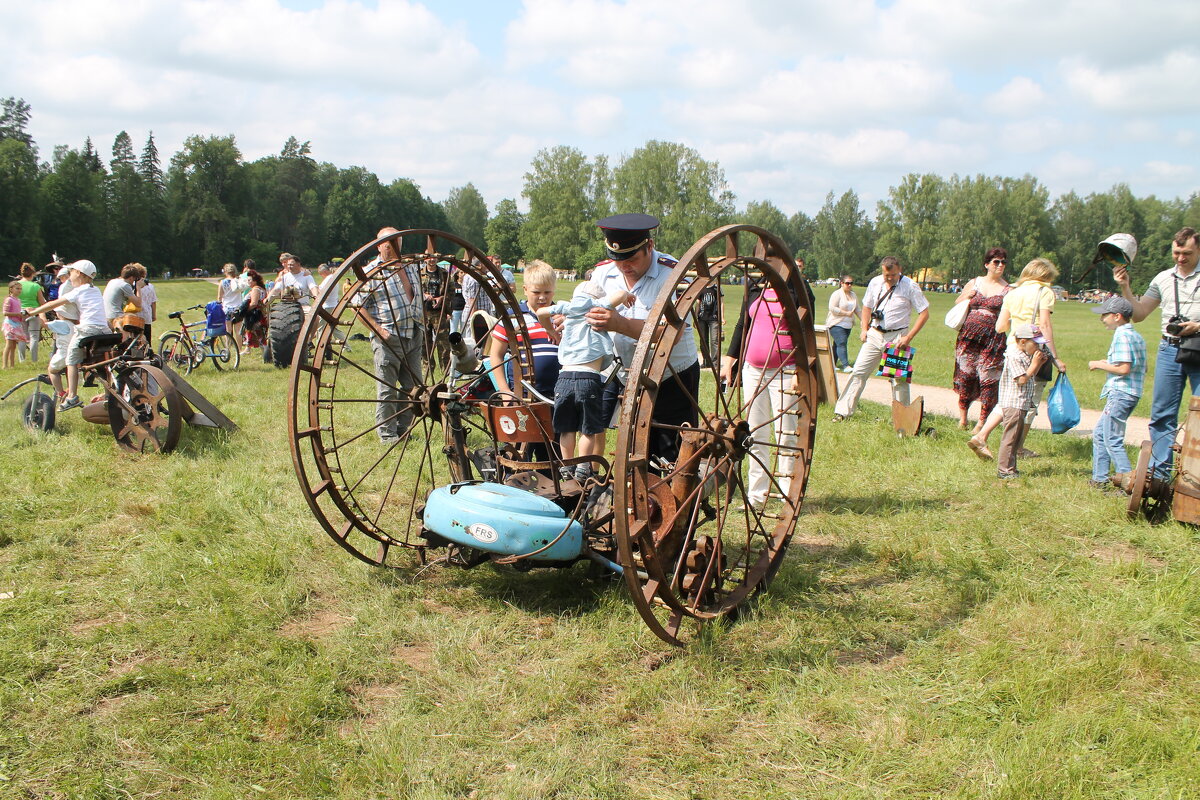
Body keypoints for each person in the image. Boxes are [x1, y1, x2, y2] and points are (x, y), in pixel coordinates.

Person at [587, 213, 700, 464]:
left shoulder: (674, 275)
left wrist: (621, 324)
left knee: (672, 455)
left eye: (631, 258)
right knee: (634, 453)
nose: (624, 266)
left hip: (672, 376)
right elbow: (583, 306)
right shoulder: (603, 274)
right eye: (617, 259)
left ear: (649, 246)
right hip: (626, 375)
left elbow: (673, 332)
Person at [1112, 228, 1200, 479]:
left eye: (1187, 253)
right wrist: (1125, 287)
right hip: (1169, 349)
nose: (1180, 258)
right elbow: (1138, 314)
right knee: (1162, 414)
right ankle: (1160, 476)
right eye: (1176, 252)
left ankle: (1195, 475)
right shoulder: (1162, 278)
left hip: (1199, 347)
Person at [719, 279, 803, 509]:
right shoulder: (755, 287)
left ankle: (788, 496)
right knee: (755, 434)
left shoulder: (797, 288)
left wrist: (800, 370)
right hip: (753, 370)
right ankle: (757, 495)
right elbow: (741, 325)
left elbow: (806, 329)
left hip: (786, 369)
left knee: (785, 434)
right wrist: (730, 361)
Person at [970, 258, 1066, 460]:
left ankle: (981, 435)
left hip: (1013, 348)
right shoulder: (1045, 293)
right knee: (1029, 401)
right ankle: (1019, 448)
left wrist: (1018, 322)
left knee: (1008, 397)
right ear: (1045, 276)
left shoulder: (1013, 293)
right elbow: (1045, 326)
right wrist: (1055, 358)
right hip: (1034, 350)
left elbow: (1000, 327)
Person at [536, 280, 632, 481]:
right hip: (588, 378)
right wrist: (627, 296)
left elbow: (541, 313)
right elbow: (621, 293)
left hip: (563, 378)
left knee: (566, 428)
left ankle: (566, 467)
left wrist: (550, 331)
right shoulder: (596, 308)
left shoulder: (567, 308)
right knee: (587, 430)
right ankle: (582, 467)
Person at [832, 256, 929, 421]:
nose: (889, 278)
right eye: (886, 275)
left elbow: (924, 313)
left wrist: (908, 337)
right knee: (858, 372)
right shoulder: (875, 282)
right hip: (875, 334)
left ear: (900, 270)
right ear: (882, 271)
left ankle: (902, 419)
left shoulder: (910, 286)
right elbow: (867, 307)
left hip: (897, 337)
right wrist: (864, 329)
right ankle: (842, 412)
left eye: (893, 275)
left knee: (898, 378)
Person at [352, 228, 423, 444]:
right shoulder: (372, 272)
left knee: (413, 388)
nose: (393, 245)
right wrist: (379, 330)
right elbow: (357, 305)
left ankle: (403, 429)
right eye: (388, 242)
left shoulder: (409, 266)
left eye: (397, 241)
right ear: (378, 246)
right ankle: (387, 435)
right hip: (389, 338)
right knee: (388, 390)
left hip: (413, 333)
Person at [22, 260, 108, 411]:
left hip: (87, 330)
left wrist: (33, 311)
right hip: (104, 330)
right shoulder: (95, 290)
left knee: (71, 359)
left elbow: (53, 304)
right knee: (103, 362)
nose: (70, 276)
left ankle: (72, 396)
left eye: (71, 272)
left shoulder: (78, 290)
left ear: (80, 274)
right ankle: (108, 393)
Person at [1086, 296, 1146, 489]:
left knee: (1112, 438)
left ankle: (1128, 482)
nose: (1102, 319)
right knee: (1100, 434)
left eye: (1105, 315)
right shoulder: (1136, 336)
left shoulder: (1122, 336)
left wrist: (1098, 365)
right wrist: (1108, 363)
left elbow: (1124, 369)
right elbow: (1138, 367)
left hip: (1121, 393)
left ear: (1117, 316)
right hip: (1130, 392)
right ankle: (1099, 478)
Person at [952, 248, 1011, 431]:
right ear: (987, 264)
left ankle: (981, 422)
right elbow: (957, 303)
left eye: (1003, 262)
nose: (1000, 265)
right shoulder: (974, 282)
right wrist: (966, 296)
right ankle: (963, 418)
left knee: (988, 379)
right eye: (996, 262)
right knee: (966, 375)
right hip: (968, 338)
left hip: (993, 340)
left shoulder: (1008, 289)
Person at [488, 263, 560, 399]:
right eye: (536, 292)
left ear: (554, 290)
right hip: (522, 392)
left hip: (558, 391)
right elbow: (496, 355)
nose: (542, 297)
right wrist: (504, 391)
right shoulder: (513, 317)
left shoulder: (560, 316)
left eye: (547, 292)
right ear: (525, 290)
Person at [995, 323, 1047, 479]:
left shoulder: (1025, 355)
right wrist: (1035, 364)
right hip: (1014, 403)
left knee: (1016, 438)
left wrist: (1039, 364)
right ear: (1023, 342)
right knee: (1010, 438)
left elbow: (1030, 375)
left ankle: (1011, 468)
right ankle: (1004, 470)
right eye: (1036, 343)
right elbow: (1022, 379)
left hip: (1022, 402)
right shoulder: (1014, 356)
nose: (1039, 347)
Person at [825, 274, 859, 372]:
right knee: (842, 343)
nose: (849, 285)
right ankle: (846, 365)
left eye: (851, 283)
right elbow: (832, 308)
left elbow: (858, 309)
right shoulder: (837, 294)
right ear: (842, 283)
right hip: (836, 323)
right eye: (847, 283)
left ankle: (831, 364)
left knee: (837, 344)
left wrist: (864, 321)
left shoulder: (853, 295)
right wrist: (845, 313)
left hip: (848, 325)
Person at [16, 263, 45, 362]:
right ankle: (34, 359)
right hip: (34, 312)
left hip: (20, 313)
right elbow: (42, 302)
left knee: (22, 337)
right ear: (32, 274)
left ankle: (22, 360)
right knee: (34, 337)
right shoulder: (35, 286)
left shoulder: (16, 286)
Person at [693, 277, 723, 367]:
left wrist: (722, 317)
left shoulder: (717, 288)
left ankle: (715, 362)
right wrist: (695, 317)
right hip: (702, 318)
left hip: (714, 318)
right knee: (703, 341)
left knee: (714, 340)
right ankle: (706, 362)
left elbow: (721, 303)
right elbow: (697, 304)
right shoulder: (701, 288)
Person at [103, 264, 143, 329]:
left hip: (105, 316)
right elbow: (138, 304)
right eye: (134, 280)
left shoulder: (112, 281)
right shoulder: (125, 285)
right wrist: (138, 287)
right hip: (115, 317)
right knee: (136, 321)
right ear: (131, 278)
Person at [241, 269, 268, 352]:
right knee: (259, 333)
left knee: (256, 332)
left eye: (249, 280)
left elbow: (254, 303)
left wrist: (244, 310)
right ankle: (248, 348)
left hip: (254, 315)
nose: (248, 282)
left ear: (255, 281)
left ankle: (265, 351)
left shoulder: (255, 289)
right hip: (261, 314)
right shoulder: (262, 289)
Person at [3, 281, 28, 368]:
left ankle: (12, 365)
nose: (19, 290)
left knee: (13, 346)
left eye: (20, 289)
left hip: (16, 324)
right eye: (17, 288)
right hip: (10, 325)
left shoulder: (18, 300)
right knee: (9, 345)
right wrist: (17, 314)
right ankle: (5, 365)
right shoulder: (9, 299)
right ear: (11, 289)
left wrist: (22, 316)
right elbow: (5, 313)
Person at [130, 264, 155, 341]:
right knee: (147, 340)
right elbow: (153, 302)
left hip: (135, 316)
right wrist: (154, 315)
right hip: (147, 316)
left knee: (135, 340)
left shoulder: (132, 285)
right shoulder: (150, 286)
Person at [218, 263, 243, 336]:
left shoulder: (222, 282)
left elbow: (220, 296)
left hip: (227, 307)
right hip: (237, 307)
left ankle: (228, 346)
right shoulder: (238, 281)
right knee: (238, 331)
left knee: (228, 330)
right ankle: (239, 347)